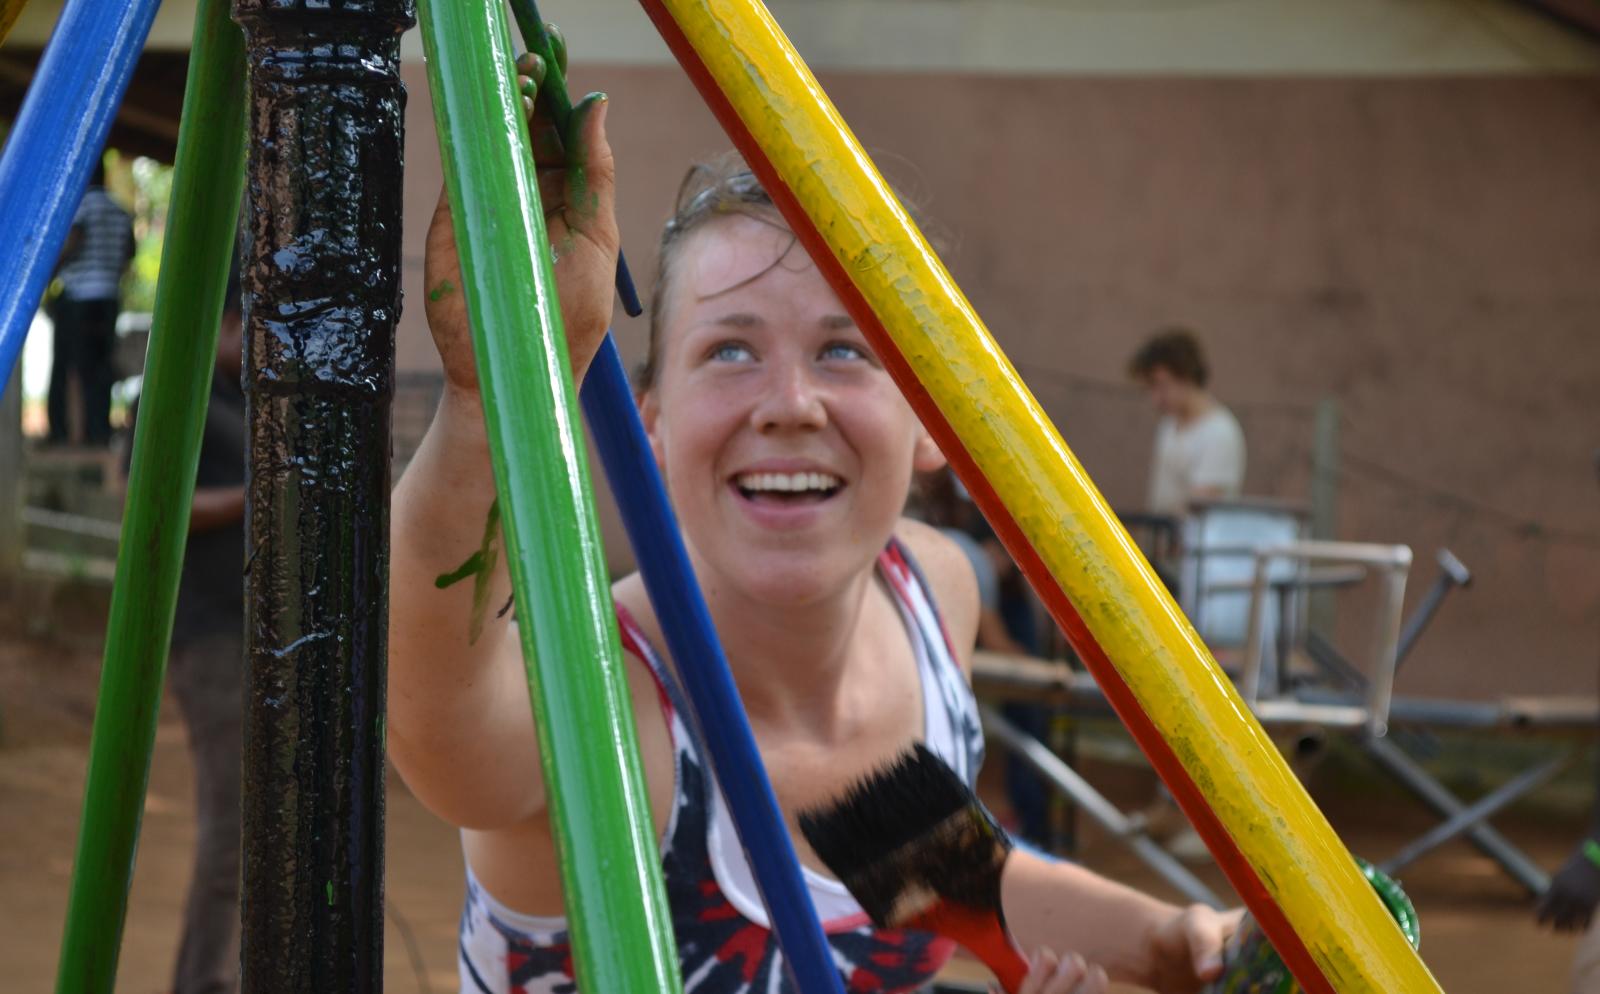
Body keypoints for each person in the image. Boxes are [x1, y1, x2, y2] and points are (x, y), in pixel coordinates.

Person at [390, 50, 1236, 994]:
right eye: (730, 350)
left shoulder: (931, 592)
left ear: (931, 420)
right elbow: (437, 724)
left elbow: (926, 870)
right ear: (653, 422)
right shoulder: (598, 702)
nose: (791, 402)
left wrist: (1173, 938)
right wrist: (488, 396)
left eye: (844, 349)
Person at [123, 268, 247, 994]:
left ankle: (224, 972)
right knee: (229, 828)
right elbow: (153, 503)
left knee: (258, 824)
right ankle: (202, 982)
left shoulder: (240, 397)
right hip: (207, 637)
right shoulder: (176, 391)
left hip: (249, 633)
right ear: (225, 320)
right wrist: (250, 498)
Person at [51, 158, 135, 447]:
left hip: (78, 297)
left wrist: (50, 272)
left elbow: (74, 240)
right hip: (108, 296)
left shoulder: (82, 206)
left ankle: (65, 434)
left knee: (70, 366)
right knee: (101, 367)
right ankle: (99, 433)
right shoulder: (121, 212)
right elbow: (128, 254)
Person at [1127, 329, 1245, 519]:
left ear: (1185, 375)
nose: (1155, 399)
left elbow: (1199, 506)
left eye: (1161, 385)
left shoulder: (1220, 432)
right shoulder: (1169, 425)